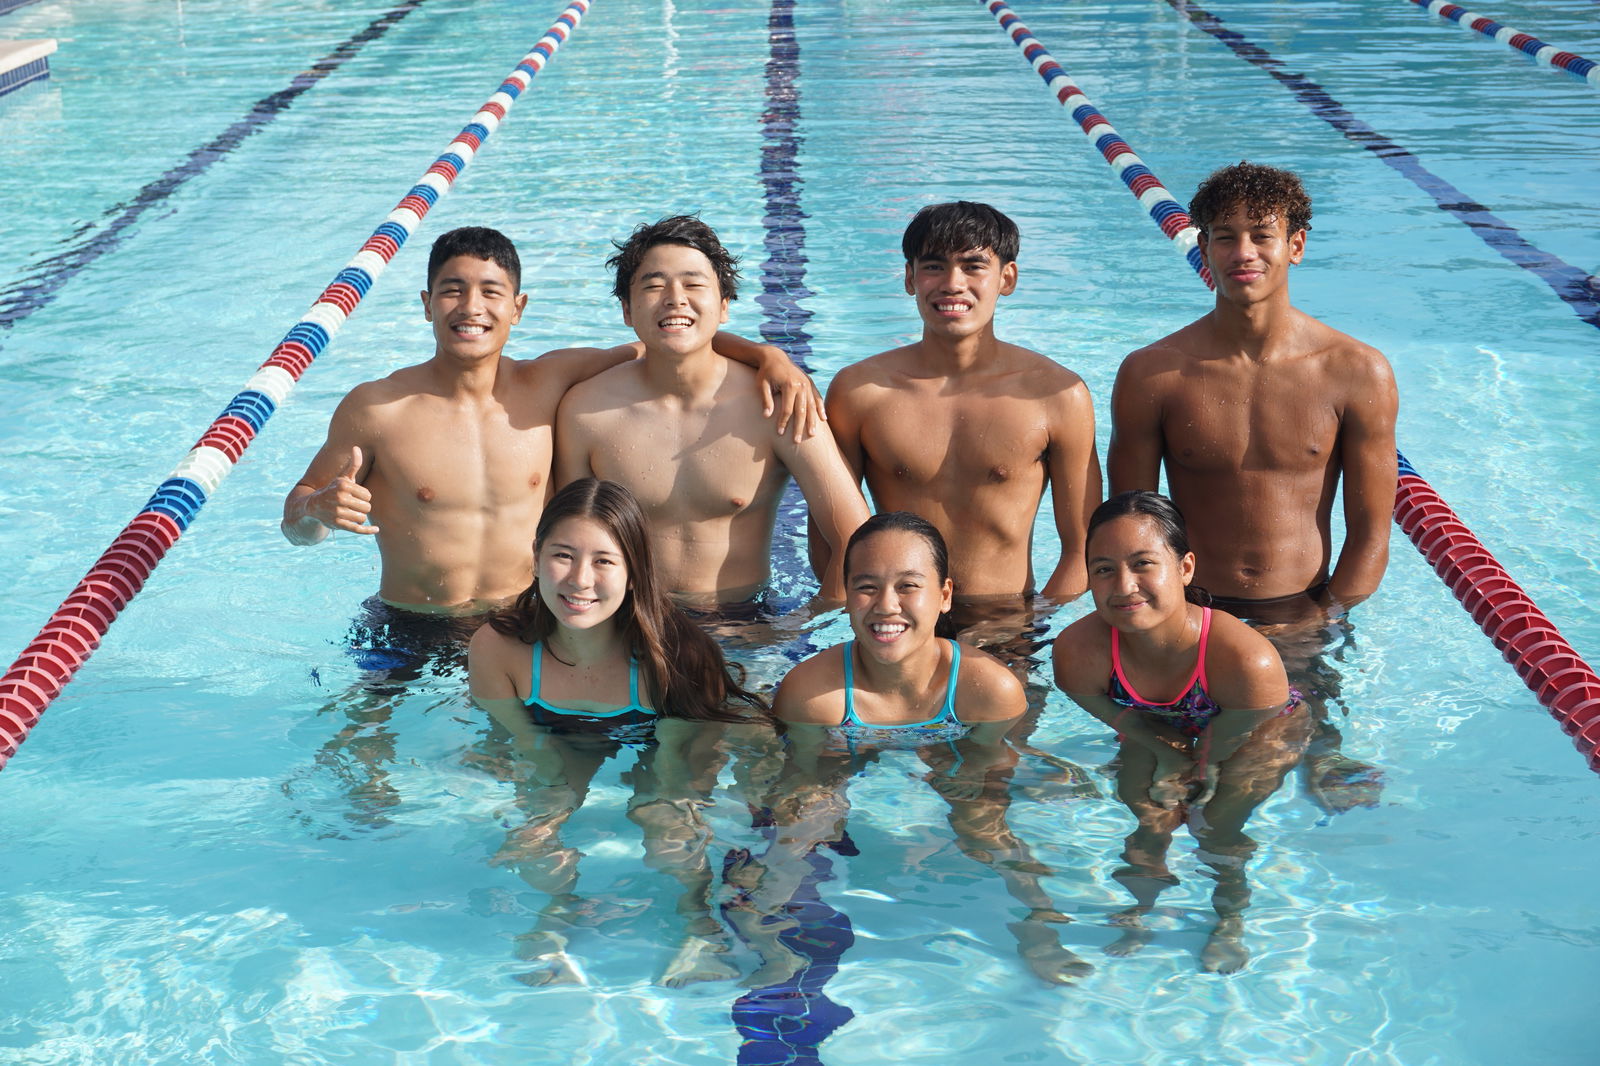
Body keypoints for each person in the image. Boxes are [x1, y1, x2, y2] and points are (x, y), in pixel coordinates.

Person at [281, 225, 820, 646]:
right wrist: (317, 512)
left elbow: (669, 342)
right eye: (453, 291)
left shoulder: (550, 383)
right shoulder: (377, 407)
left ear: (518, 308)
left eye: (491, 292)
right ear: (427, 304)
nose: (472, 308)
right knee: (358, 764)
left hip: (525, 626)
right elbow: (295, 521)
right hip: (407, 622)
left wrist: (768, 355)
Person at [1108, 162, 1397, 812]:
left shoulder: (1355, 372)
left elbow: (1372, 532)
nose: (1243, 253)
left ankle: (1312, 754)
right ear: (1202, 246)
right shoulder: (1155, 374)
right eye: (1225, 236)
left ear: (1295, 243)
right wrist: (1156, 621)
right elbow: (1126, 524)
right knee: (1154, 799)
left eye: (1261, 235)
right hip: (1186, 617)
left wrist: (1320, 621)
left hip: (1298, 615)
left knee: (1239, 791)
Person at [733, 512, 1091, 986]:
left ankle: (1041, 926)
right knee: (802, 823)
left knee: (983, 824)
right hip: (847, 734)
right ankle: (765, 940)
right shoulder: (813, 694)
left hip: (950, 729)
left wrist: (963, 786)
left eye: (908, 586)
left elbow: (991, 773)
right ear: (845, 597)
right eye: (866, 587)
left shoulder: (987, 689)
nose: (886, 605)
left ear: (944, 596)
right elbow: (803, 775)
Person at [468, 478, 769, 987]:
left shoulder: (673, 656)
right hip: (553, 728)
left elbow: (687, 756)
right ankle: (556, 918)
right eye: (563, 555)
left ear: (634, 571)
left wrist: (672, 798)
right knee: (536, 827)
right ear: (537, 554)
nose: (580, 580)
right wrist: (548, 801)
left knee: (666, 826)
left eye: (604, 561)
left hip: (656, 729)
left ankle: (698, 926)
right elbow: (524, 742)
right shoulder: (498, 648)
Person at [822, 201, 1100, 649]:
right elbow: (831, 531)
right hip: (892, 618)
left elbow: (1084, 547)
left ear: (1006, 278)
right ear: (910, 278)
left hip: (1008, 616)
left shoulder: (1057, 395)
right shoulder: (861, 392)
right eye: (934, 266)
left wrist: (1034, 624)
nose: (952, 284)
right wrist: (851, 613)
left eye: (973, 266)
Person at [1052, 491, 1310, 973]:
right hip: (1158, 724)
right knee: (1148, 816)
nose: (1124, 585)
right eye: (1103, 569)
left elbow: (1235, 728)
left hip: (1258, 725)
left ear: (1186, 567)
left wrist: (1202, 764)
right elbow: (1108, 710)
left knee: (1216, 825)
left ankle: (1228, 916)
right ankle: (1143, 905)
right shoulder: (1079, 651)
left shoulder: (1245, 659)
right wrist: (1164, 750)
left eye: (1143, 563)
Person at [556, 215, 869, 609]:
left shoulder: (777, 402)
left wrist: (803, 624)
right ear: (626, 311)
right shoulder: (586, 412)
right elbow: (568, 542)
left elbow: (857, 537)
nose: (674, 298)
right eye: (654, 285)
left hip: (750, 624)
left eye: (693, 284)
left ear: (723, 306)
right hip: (634, 625)